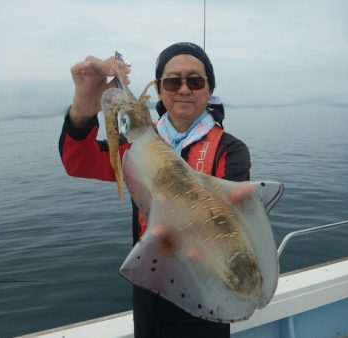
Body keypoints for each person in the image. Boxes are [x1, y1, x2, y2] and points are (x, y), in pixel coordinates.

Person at [59, 42, 251, 338]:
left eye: (196, 81)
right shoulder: (134, 147)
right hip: (149, 297)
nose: (184, 89)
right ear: (160, 91)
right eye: (173, 81)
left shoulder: (230, 151)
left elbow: (228, 227)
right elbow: (79, 162)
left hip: (208, 297)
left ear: (209, 90)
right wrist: (85, 100)